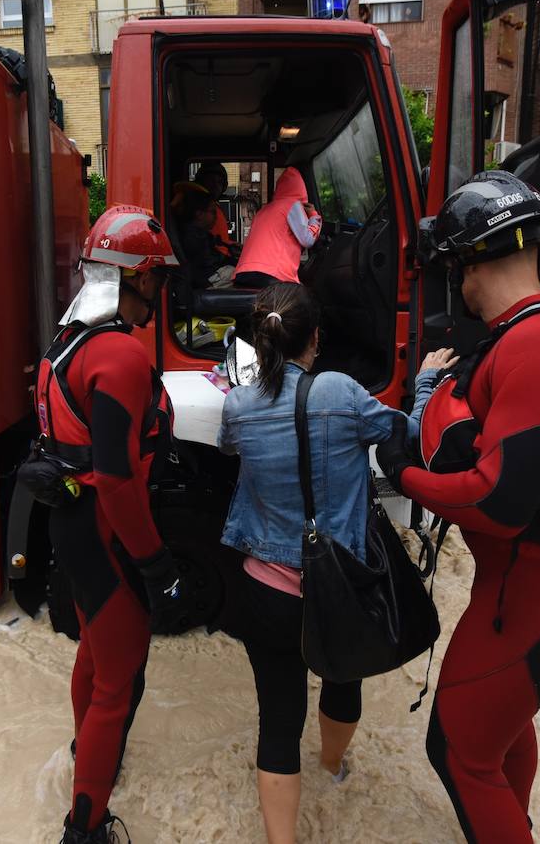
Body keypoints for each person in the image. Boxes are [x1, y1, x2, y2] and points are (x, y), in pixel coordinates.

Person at [376, 170, 540, 843]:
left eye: (455, 266)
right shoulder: (533, 332)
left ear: (472, 261)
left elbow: (499, 501)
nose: (454, 284)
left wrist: (404, 473)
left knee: (459, 750)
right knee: (496, 732)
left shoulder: (539, 342)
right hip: (526, 585)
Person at [218, 281, 454, 844]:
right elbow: (411, 434)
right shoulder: (342, 395)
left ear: (258, 341)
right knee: (342, 679)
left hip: (265, 590)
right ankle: (331, 767)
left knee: (277, 719)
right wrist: (423, 384)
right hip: (342, 584)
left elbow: (230, 446)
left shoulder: (238, 405)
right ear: (315, 340)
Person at [36, 205, 194, 844]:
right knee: (117, 682)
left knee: (94, 658)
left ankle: (88, 761)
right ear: (132, 277)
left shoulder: (64, 344)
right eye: (157, 278)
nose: (162, 290)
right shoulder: (121, 359)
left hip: (71, 529)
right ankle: (86, 826)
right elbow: (121, 478)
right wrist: (158, 565)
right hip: (108, 534)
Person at [233, 166, 322, 289]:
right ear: (302, 190)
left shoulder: (264, 210)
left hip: (243, 274)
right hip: (271, 275)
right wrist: (313, 216)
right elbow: (307, 239)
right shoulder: (292, 205)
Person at [170, 181, 231, 288]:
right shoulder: (194, 237)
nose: (216, 218)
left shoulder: (197, 233)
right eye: (213, 212)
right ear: (199, 214)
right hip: (207, 279)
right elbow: (208, 262)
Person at [193, 161, 240, 261]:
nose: (215, 186)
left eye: (219, 182)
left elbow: (215, 240)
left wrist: (231, 245)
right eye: (211, 181)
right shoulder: (199, 207)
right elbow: (204, 248)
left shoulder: (213, 206)